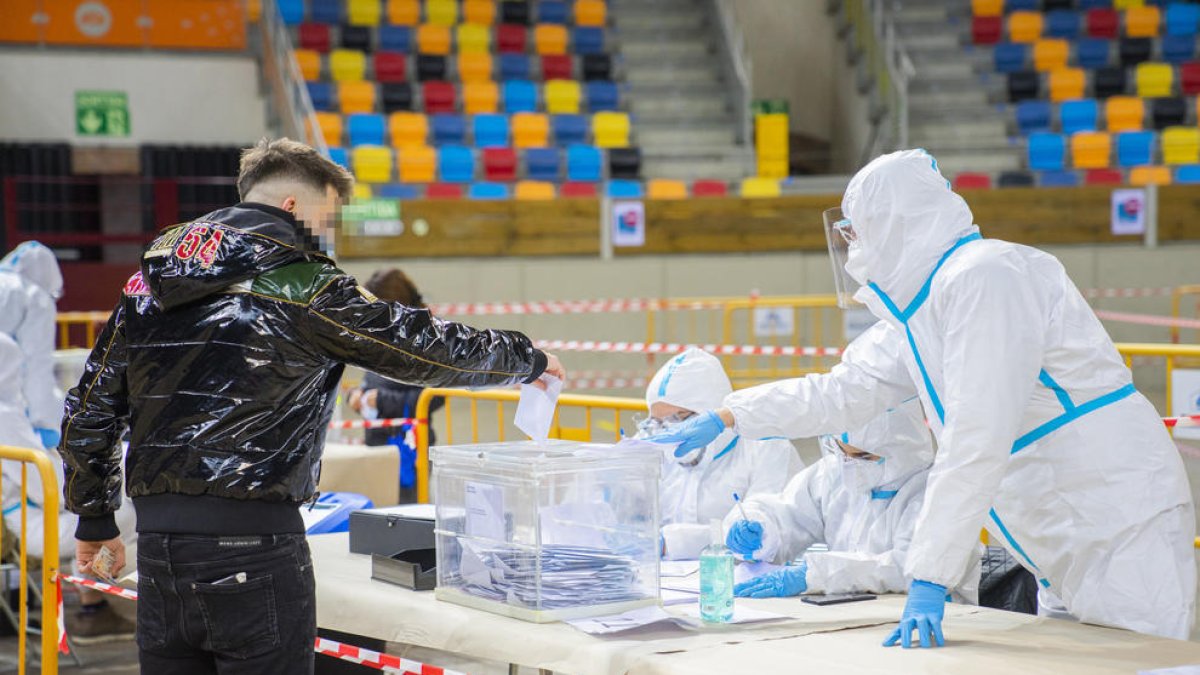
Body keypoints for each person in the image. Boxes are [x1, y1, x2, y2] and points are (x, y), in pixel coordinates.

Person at [58, 138, 565, 674]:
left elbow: (88, 408)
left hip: (158, 546)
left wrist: (94, 519)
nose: (327, 235)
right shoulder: (304, 284)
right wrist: (524, 358)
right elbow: (417, 346)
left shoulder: (145, 286)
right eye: (327, 216)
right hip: (253, 544)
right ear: (293, 206)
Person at [651, 149, 1195, 646]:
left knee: (1142, 659)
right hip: (1055, 531)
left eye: (856, 231)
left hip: (1114, 520)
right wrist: (728, 415)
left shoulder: (987, 277)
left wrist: (930, 577)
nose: (851, 247)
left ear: (894, 225)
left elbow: (976, 436)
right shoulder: (920, 314)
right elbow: (841, 391)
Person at [0, 242, 138, 641]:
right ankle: (95, 604)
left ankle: (94, 604)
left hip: (25, 509)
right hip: (26, 517)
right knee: (126, 513)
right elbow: (40, 375)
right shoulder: (8, 419)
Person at [724, 399, 978, 604]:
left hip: (931, 618)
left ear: (899, 449)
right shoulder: (832, 474)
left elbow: (911, 568)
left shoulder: (932, 490)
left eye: (864, 456)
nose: (849, 465)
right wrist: (762, 527)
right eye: (842, 452)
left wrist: (817, 574)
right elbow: (789, 513)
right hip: (852, 615)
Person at [637, 348, 801, 560]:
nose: (669, 431)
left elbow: (766, 533)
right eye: (658, 421)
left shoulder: (767, 448)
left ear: (710, 411)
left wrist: (673, 542)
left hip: (740, 580)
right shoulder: (655, 442)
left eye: (678, 418)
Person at [346, 269, 444, 501]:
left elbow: (435, 396)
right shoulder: (379, 335)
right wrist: (355, 395)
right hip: (377, 445)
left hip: (409, 449)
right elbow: (370, 380)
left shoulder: (424, 338)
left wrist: (381, 400)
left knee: (406, 520)